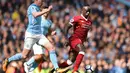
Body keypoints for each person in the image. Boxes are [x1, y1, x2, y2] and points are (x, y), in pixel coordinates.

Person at [2, 0, 62, 72]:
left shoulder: (47, 20)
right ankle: (9, 60)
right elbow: (35, 15)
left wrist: (51, 33)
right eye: (41, 1)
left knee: (51, 49)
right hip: (31, 35)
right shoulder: (32, 7)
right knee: (25, 55)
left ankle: (57, 69)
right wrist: (47, 10)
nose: (42, 2)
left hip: (39, 35)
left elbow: (47, 31)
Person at [50, 5, 92, 73]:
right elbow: (67, 27)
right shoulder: (77, 18)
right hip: (74, 39)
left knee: (70, 61)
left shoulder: (89, 22)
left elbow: (85, 32)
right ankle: (75, 71)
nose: (81, 11)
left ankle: (55, 69)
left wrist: (85, 39)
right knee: (82, 50)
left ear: (87, 13)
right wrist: (66, 38)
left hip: (80, 41)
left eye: (84, 10)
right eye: (82, 9)